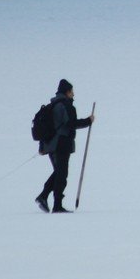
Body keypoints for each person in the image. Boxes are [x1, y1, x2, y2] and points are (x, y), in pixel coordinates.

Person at [35, 79, 93, 213]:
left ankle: (44, 197)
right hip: (61, 144)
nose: (73, 94)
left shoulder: (53, 104)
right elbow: (70, 124)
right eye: (72, 91)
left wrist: (42, 147)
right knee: (61, 174)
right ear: (67, 92)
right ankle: (56, 205)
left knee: (59, 173)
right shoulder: (66, 105)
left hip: (50, 145)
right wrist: (88, 121)